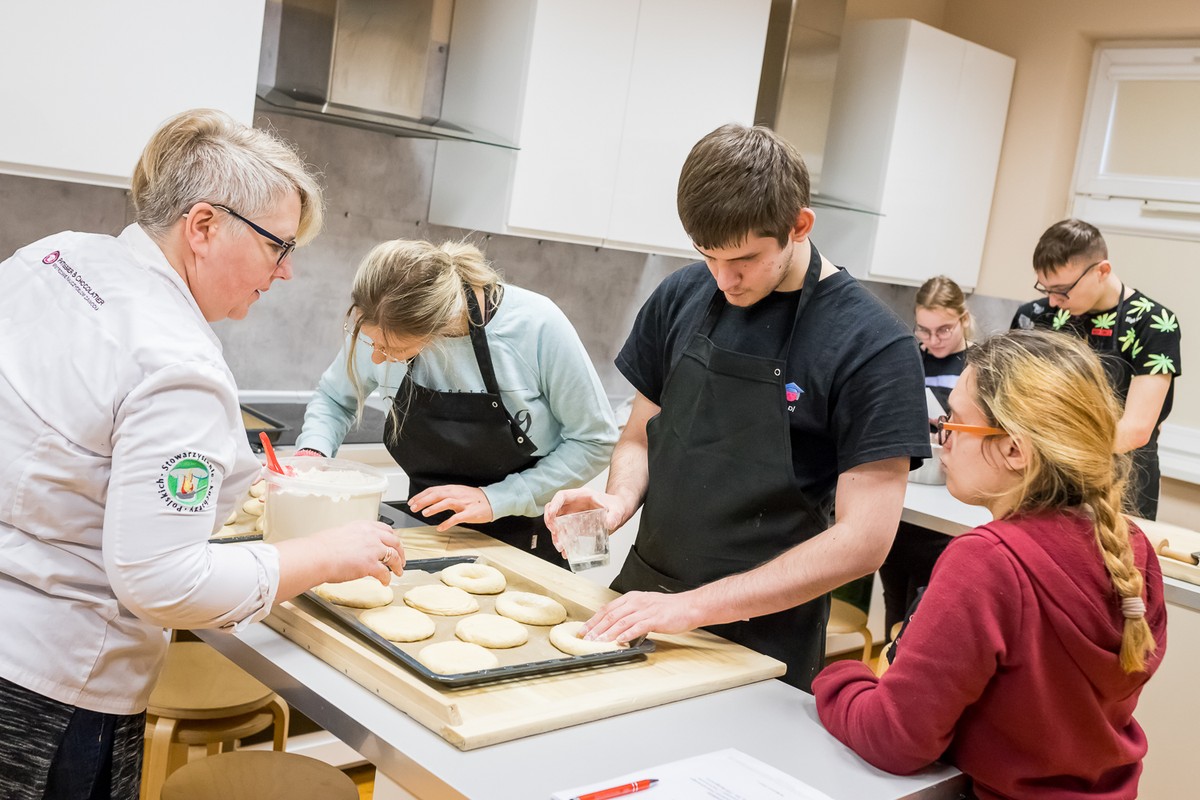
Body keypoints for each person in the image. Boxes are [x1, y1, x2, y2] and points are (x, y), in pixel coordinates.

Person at [0, 109, 404, 798]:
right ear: (204, 226)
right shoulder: (178, 361)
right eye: (279, 245)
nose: (286, 273)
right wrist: (330, 555)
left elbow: (80, 440)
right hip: (50, 686)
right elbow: (161, 580)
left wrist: (244, 470)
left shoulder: (58, 257)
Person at [543, 123, 931, 691]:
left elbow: (864, 542)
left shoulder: (873, 347)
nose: (724, 280)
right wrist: (615, 501)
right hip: (638, 603)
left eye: (744, 259)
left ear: (799, 226)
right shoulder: (681, 295)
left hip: (763, 639)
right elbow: (639, 434)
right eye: (708, 257)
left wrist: (695, 608)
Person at [813, 329, 1166, 800]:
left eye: (956, 422)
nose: (943, 440)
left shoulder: (987, 561)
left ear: (1016, 450)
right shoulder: (1134, 547)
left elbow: (894, 739)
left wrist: (836, 675)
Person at [294, 238, 618, 566]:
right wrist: (312, 453)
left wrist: (498, 498)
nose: (376, 357)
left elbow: (596, 440)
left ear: (435, 329)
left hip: (530, 534)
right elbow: (335, 398)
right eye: (372, 343)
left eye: (391, 350)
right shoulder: (382, 320)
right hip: (426, 529)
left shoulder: (535, 325)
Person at [1012, 219, 1181, 520]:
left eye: (1063, 291)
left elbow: (1136, 429)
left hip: (1122, 480)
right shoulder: (1035, 317)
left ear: (1102, 271)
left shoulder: (1153, 323)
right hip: (1044, 477)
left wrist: (1058, 452)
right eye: (1046, 289)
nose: (1053, 301)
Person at [878, 275, 973, 636]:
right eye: (924, 330)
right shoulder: (909, 357)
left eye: (944, 330)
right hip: (909, 494)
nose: (933, 341)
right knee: (894, 601)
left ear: (963, 319)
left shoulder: (976, 366)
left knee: (923, 611)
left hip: (950, 497)